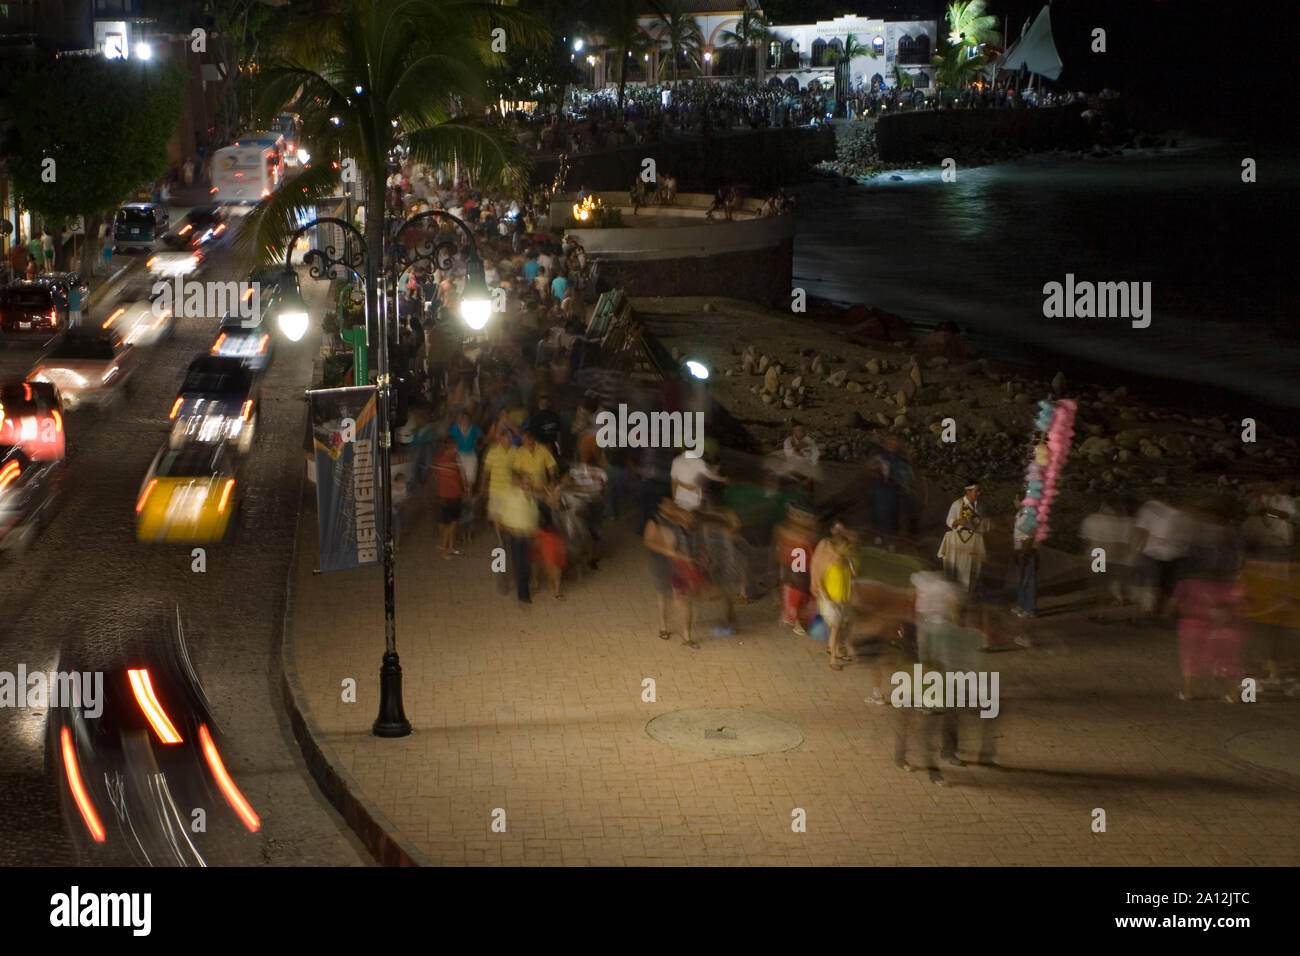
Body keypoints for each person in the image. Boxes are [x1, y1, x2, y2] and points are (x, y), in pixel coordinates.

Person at [643, 499, 702, 647]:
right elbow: (649, 542)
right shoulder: (654, 520)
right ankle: (664, 626)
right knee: (663, 593)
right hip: (662, 563)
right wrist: (669, 552)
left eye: (672, 504)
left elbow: (692, 535)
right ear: (660, 506)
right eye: (667, 505)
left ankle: (686, 636)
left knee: (681, 597)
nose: (671, 507)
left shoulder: (680, 518)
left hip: (678, 565)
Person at [1132, 498, 1194, 621]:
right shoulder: (1185, 514)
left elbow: (1140, 531)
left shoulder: (1149, 507)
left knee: (1154, 583)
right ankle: (1162, 612)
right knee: (1167, 585)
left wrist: (1136, 550)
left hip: (1154, 552)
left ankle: (1151, 611)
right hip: (1175, 554)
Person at [813, 524, 858, 670]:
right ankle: (833, 659)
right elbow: (819, 579)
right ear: (838, 546)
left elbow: (853, 577)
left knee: (843, 628)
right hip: (832, 600)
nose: (847, 548)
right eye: (845, 546)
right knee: (836, 629)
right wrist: (825, 597)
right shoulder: (829, 560)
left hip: (845, 599)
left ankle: (837, 651)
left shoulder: (848, 561)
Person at [499, 467, 540, 603]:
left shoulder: (532, 500)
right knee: (520, 564)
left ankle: (524, 589)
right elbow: (501, 517)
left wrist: (534, 529)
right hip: (515, 535)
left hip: (527, 535)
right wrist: (508, 529)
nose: (527, 485)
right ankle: (523, 594)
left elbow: (534, 516)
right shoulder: (510, 496)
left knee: (526, 563)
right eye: (525, 482)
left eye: (529, 483)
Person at [774, 505, 818, 633]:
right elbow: (781, 553)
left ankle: (799, 621)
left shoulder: (810, 535)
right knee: (798, 596)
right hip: (796, 572)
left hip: (803, 570)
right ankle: (798, 623)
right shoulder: (786, 532)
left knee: (804, 598)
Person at [938, 480, 986, 592]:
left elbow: (981, 525)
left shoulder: (979, 507)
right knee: (956, 568)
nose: (978, 494)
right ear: (968, 491)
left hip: (972, 541)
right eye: (976, 491)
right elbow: (948, 521)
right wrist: (958, 522)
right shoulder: (957, 504)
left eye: (978, 491)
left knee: (970, 569)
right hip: (957, 540)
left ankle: (967, 592)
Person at [433, 437, 464, 557]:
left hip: (454, 496)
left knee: (453, 523)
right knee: (448, 524)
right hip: (447, 496)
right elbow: (437, 480)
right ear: (451, 447)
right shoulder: (445, 461)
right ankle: (444, 549)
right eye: (455, 446)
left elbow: (459, 477)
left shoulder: (452, 459)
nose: (457, 449)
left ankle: (450, 547)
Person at [670, 447, 724, 512]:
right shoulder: (699, 462)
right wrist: (724, 479)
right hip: (692, 500)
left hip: (679, 497)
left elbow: (673, 481)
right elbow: (710, 476)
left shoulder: (676, 460)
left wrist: (674, 498)